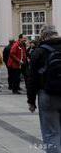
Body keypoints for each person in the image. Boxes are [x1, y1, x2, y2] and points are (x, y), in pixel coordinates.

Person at [27, 25, 61, 153]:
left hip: (48, 95)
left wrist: (31, 101)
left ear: (42, 36)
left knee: (51, 133)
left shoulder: (39, 51)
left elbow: (32, 78)